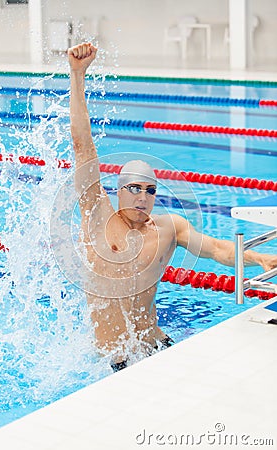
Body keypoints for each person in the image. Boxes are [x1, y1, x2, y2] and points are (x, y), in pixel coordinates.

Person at [67, 42, 277, 372]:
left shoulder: (170, 228)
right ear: (118, 191)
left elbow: (218, 250)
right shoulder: (98, 217)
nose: (142, 197)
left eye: (150, 190)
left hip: (155, 342)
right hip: (115, 359)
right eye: (134, 188)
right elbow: (82, 149)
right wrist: (77, 76)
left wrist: (259, 258)